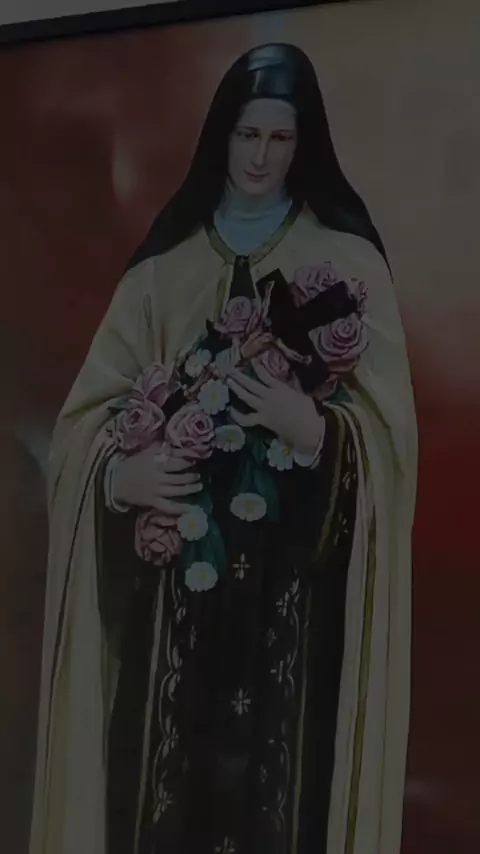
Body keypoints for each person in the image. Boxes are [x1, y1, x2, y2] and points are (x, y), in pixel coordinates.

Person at [29, 43, 417, 854]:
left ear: (303, 145)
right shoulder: (159, 277)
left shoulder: (348, 267)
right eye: (248, 135)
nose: (261, 157)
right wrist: (120, 477)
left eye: (280, 138)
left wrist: (315, 430)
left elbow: (389, 448)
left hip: (293, 619)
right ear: (222, 136)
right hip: (170, 617)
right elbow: (80, 431)